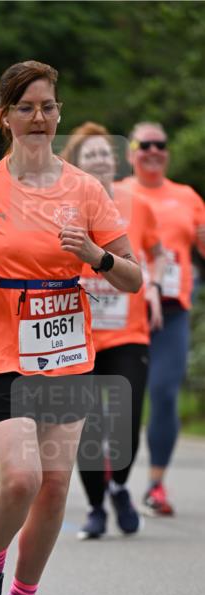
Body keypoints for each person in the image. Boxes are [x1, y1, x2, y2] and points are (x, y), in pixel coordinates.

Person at [0, 60, 141, 595]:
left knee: (54, 485)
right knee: (20, 476)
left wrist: (96, 257)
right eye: (25, 107)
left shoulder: (85, 189)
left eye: (48, 106)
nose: (38, 117)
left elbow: (132, 278)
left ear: (59, 114)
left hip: (64, 349)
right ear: (6, 117)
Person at [61, 123, 165, 539]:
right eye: (91, 155)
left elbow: (156, 255)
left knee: (124, 419)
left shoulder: (138, 203)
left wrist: (154, 284)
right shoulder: (63, 205)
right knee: (87, 426)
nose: (100, 160)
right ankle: (95, 507)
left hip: (128, 329)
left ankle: (119, 487)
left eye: (105, 153)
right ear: (77, 164)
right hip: (78, 331)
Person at [121, 122, 205, 515]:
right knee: (119, 398)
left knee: (166, 394)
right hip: (123, 310)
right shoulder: (117, 194)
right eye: (144, 144)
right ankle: (109, 479)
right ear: (130, 153)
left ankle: (155, 483)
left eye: (160, 144)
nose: (153, 151)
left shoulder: (187, 197)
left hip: (171, 311)